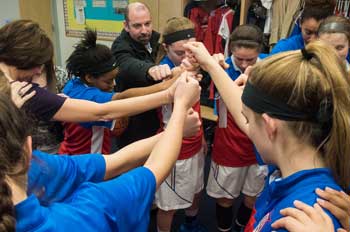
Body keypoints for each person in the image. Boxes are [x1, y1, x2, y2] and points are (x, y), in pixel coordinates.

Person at [0, 70, 201, 231]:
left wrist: (173, 122)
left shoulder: (39, 168)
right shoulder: (86, 214)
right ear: (28, 146)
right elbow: (153, 171)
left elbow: (116, 161)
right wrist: (180, 108)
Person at [183, 40, 350, 231]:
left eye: (248, 120)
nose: (247, 127)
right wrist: (210, 65)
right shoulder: (296, 154)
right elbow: (244, 109)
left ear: (270, 127)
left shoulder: (299, 219)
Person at [0, 19, 179, 127]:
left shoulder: (70, 84)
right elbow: (104, 110)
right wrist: (166, 91)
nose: (40, 71)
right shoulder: (23, 92)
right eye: (37, 65)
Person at [59, 29, 180, 155]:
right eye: (108, 81)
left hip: (75, 154)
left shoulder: (74, 83)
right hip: (84, 165)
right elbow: (122, 98)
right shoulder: (87, 98)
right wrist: (166, 87)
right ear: (89, 77)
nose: (113, 85)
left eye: (114, 78)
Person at [206, 25, 266, 232]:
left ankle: (242, 227)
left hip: (260, 144)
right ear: (230, 49)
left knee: (252, 198)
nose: (243, 63)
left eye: (250, 59)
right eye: (239, 58)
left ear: (259, 51)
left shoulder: (268, 66)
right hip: (229, 143)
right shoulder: (220, 66)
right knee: (225, 198)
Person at [154, 17, 207, 232]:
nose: (186, 57)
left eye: (191, 50)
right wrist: (174, 75)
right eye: (179, 53)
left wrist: (202, 136)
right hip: (175, 150)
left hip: (195, 144)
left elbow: (195, 107)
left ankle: (191, 225)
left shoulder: (194, 64)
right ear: (165, 47)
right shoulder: (163, 71)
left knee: (195, 192)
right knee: (168, 206)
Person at [111, 2, 172, 148]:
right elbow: (126, 65)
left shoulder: (156, 39)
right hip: (134, 120)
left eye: (147, 24)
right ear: (126, 25)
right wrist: (150, 70)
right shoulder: (120, 46)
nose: (144, 30)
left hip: (157, 113)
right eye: (137, 26)